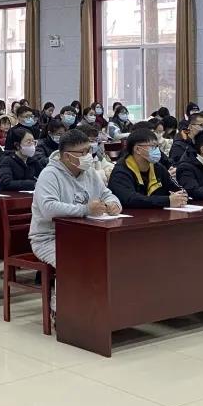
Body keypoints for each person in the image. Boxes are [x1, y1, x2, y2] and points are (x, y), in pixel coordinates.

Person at [29, 129, 122, 313]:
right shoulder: (49, 175)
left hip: (84, 235)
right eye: (83, 152)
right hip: (50, 238)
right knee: (75, 261)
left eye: (89, 150)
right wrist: (85, 209)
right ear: (67, 156)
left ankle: (101, 310)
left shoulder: (89, 172)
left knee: (113, 257)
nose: (88, 156)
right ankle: (61, 311)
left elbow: (107, 194)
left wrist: (114, 204)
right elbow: (48, 209)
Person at [108, 129, 187, 209]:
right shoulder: (121, 171)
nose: (157, 150)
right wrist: (167, 201)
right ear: (137, 149)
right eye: (153, 146)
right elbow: (130, 199)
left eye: (157, 146)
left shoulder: (158, 168)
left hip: (156, 214)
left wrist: (181, 196)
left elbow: (177, 188)